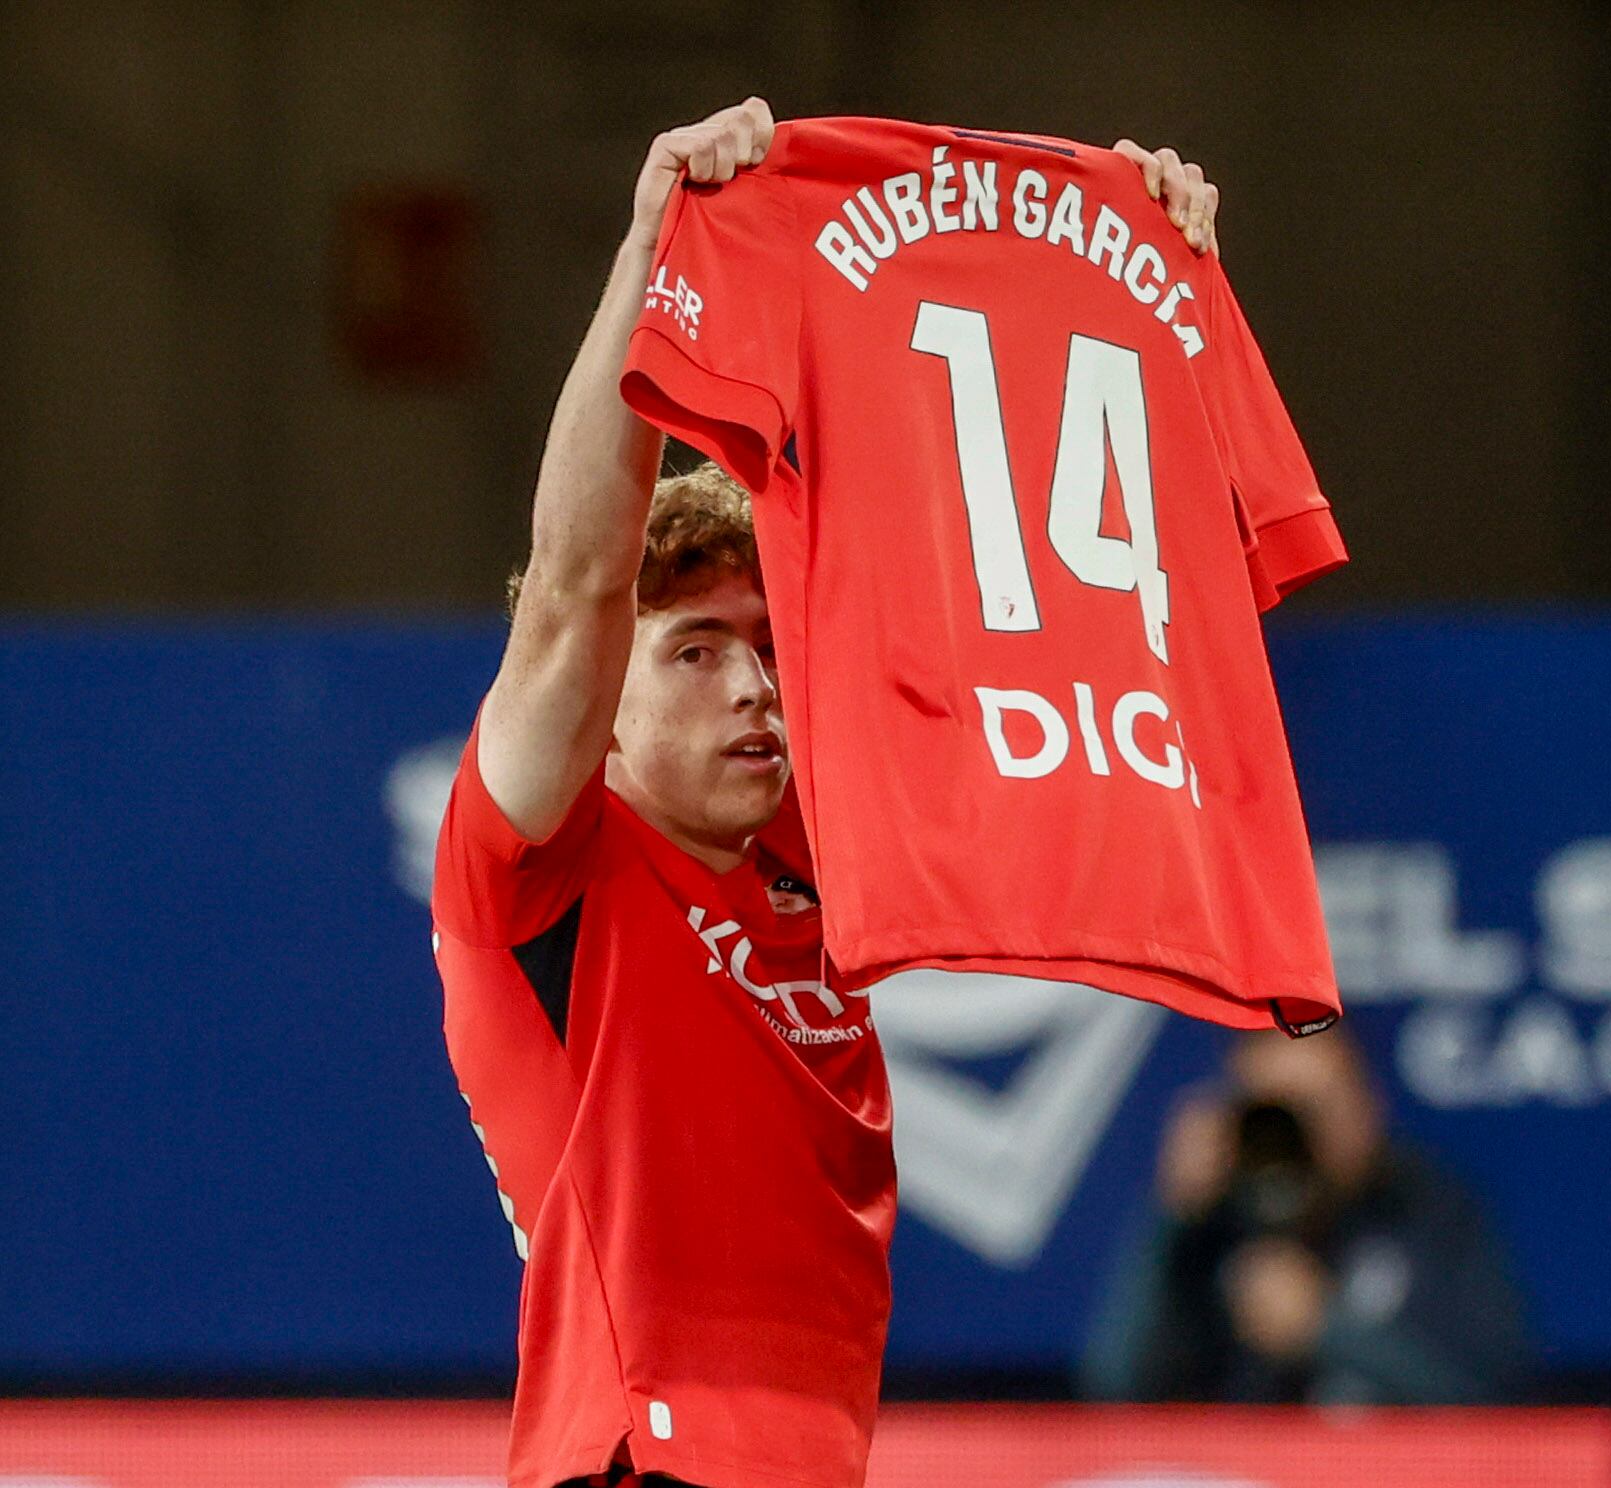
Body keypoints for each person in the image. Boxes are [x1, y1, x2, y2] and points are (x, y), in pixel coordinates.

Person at [429, 97, 1223, 1488]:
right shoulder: (542, 869)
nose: (753, 687)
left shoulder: (822, 845)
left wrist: (1130, 283)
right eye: (694, 651)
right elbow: (574, 586)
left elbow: (1020, 575)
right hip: (641, 1460)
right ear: (603, 706)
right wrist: (650, 255)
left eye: (766, 648)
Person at [1080, 1028, 1535, 1406]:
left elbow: (1494, 1398)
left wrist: (1325, 1328)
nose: (1299, 1136)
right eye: (1276, 1115)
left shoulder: (1428, 1208)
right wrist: (1171, 1216)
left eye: (1315, 1109)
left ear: (1364, 1104)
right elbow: (1113, 1390)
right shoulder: (1211, 1225)